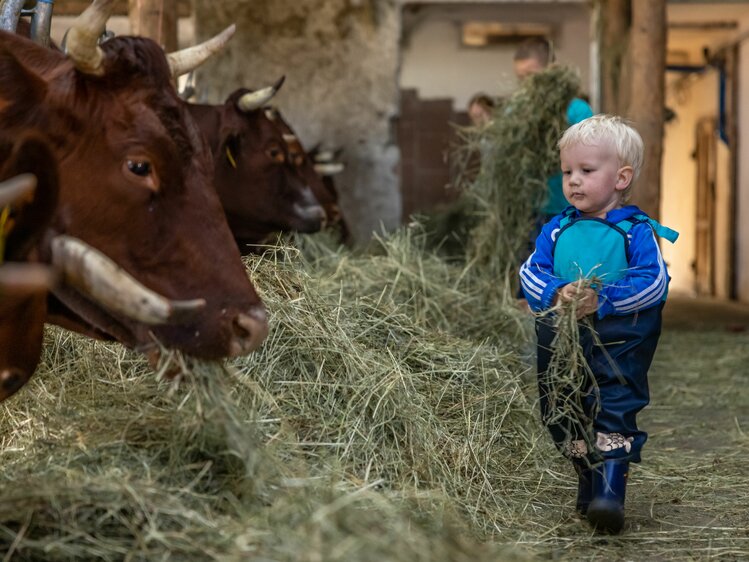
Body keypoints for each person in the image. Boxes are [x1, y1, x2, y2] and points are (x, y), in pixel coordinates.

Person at [519, 115, 679, 534]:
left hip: (620, 340)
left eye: (586, 171)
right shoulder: (556, 228)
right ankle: (586, 476)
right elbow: (530, 272)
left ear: (621, 177)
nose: (573, 181)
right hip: (563, 340)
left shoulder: (635, 230)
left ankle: (610, 493)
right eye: (568, 171)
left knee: (615, 406)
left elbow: (654, 284)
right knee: (562, 409)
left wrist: (602, 299)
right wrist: (556, 292)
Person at [513, 36, 594, 222]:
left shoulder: (577, 111)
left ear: (552, 71)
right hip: (528, 212)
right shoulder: (516, 113)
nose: (526, 84)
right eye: (520, 78)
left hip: (570, 211)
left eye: (531, 76)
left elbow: (591, 160)